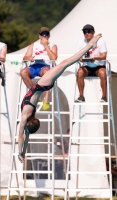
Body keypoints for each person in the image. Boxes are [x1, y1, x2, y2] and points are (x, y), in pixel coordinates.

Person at [18, 33, 102, 163]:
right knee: (65, 63)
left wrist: (22, 153)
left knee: (66, 63)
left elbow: (25, 136)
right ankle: (90, 46)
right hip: (42, 84)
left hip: (43, 86)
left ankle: (88, 47)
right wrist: (19, 152)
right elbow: (21, 136)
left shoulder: (28, 117)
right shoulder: (25, 114)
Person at [20, 27, 58, 111]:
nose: (44, 36)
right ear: (39, 36)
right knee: (23, 72)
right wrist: (29, 58)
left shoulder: (53, 45)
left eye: (46, 34)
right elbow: (25, 57)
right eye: (42, 34)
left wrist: (46, 46)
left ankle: (46, 99)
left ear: (49, 36)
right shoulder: (34, 45)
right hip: (34, 65)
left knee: (47, 73)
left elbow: (54, 58)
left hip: (45, 66)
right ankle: (34, 93)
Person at [75, 24, 107, 103]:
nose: (86, 33)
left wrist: (95, 58)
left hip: (98, 65)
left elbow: (104, 56)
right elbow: (77, 56)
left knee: (103, 73)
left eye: (89, 31)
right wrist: (81, 59)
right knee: (79, 72)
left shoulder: (100, 41)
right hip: (87, 66)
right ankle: (81, 96)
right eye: (84, 32)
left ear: (93, 32)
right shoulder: (81, 42)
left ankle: (104, 96)